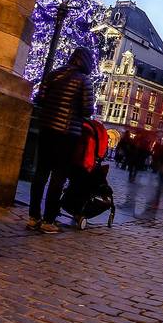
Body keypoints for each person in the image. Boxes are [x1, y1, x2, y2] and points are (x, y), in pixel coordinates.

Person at [27, 47, 95, 233]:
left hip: (46, 128)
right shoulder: (84, 81)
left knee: (40, 173)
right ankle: (49, 220)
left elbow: (40, 98)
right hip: (68, 133)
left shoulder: (54, 74)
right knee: (58, 176)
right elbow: (88, 110)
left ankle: (33, 217)